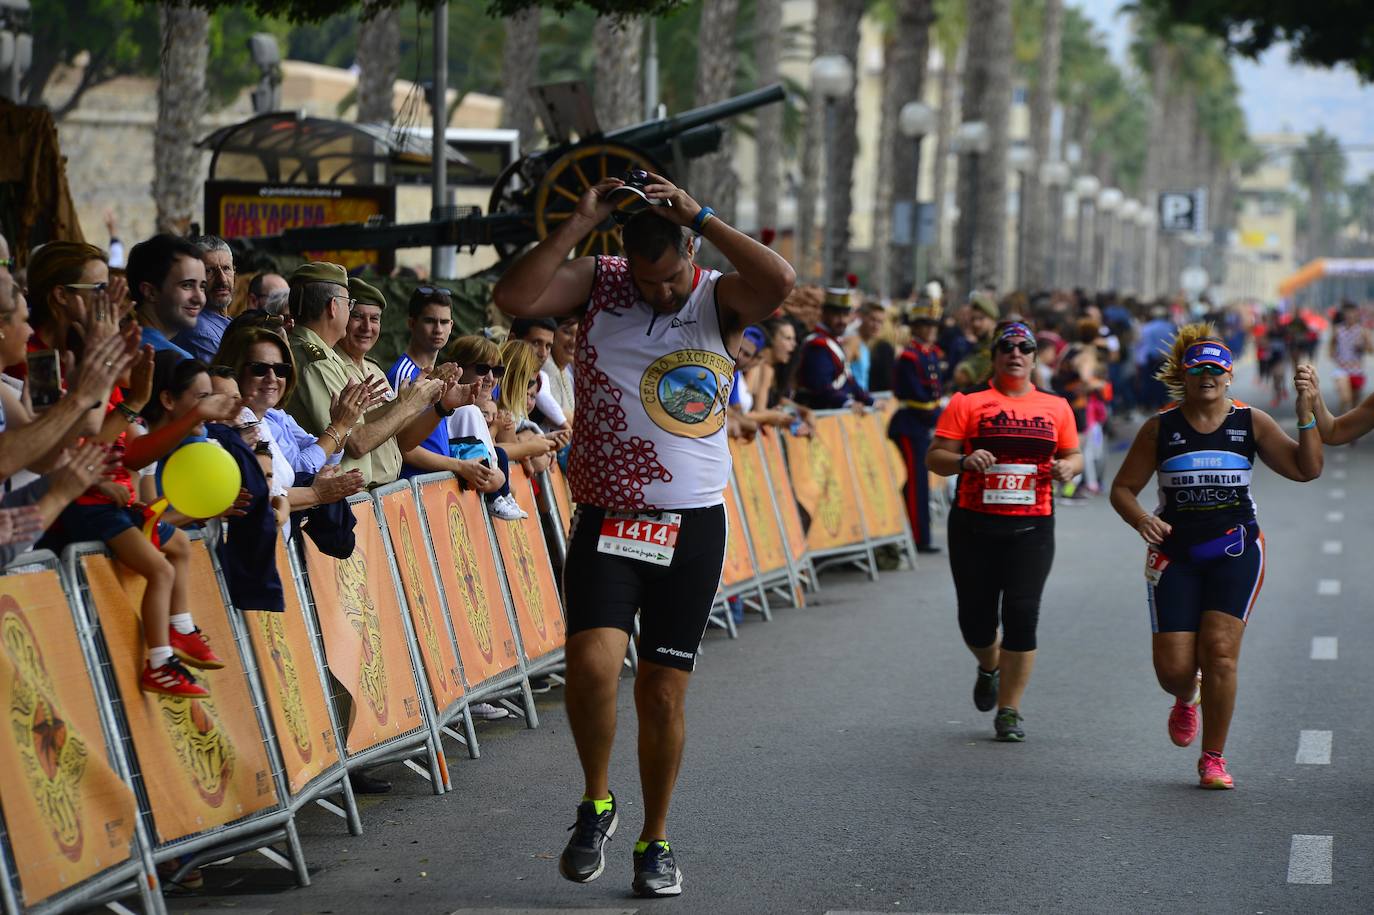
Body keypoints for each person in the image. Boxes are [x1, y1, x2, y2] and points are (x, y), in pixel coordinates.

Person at [492, 170, 794, 897]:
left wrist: (705, 214)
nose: (661, 294)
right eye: (650, 281)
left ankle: (655, 840)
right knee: (592, 668)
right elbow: (514, 299)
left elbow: (779, 282)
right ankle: (597, 803)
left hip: (690, 524)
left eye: (671, 279)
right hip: (606, 517)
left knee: (661, 693)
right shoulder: (601, 280)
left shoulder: (716, 294)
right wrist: (578, 222)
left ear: (690, 252)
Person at [1110, 328, 1322, 789]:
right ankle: (1187, 695)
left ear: (1229, 377)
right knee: (1174, 671)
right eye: (1197, 370)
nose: (1206, 377)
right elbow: (1122, 489)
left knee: (1221, 654)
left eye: (1214, 370)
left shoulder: (1252, 422)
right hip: (1176, 555)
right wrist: (1141, 518)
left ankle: (1214, 758)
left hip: (1236, 550)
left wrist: (1306, 415)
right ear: (1184, 377)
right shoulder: (1160, 428)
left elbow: (1307, 470)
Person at [927, 320, 1083, 742]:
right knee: (975, 622)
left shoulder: (1056, 407)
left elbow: (1074, 454)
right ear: (995, 356)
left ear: (1034, 358)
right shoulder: (968, 402)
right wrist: (962, 461)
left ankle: (1009, 709)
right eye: (1007, 347)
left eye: (1025, 347)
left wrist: (1069, 468)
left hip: (1032, 527)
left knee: (1022, 614)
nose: (1016, 353)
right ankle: (989, 665)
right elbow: (935, 457)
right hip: (973, 526)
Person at [284, 264, 445, 488]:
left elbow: (365, 426)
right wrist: (408, 405)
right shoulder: (316, 362)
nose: (366, 327)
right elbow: (355, 441)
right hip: (341, 497)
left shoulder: (326, 358)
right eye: (351, 309)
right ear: (333, 307)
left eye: (375, 319)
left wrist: (412, 402)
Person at [889, 299, 945, 553]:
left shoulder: (929, 354)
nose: (931, 329)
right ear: (916, 327)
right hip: (910, 423)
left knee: (920, 481)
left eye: (933, 324)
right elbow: (916, 396)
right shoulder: (910, 357)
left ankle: (921, 534)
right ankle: (917, 536)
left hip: (921, 425)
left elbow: (933, 392)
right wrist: (938, 415)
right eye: (925, 324)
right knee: (915, 482)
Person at [125, 234, 206, 359]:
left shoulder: (117, 345)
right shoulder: (180, 363)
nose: (199, 299)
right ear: (150, 292)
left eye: (202, 287)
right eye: (187, 285)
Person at [796, 287, 872, 409]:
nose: (842, 320)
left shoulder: (833, 341)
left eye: (845, 314)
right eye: (836, 314)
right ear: (825, 314)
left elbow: (848, 380)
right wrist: (846, 402)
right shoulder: (818, 345)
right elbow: (821, 385)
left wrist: (870, 401)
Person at [173, 236, 235, 363]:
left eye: (226, 268)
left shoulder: (224, 321)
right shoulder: (199, 330)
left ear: (234, 271)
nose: (222, 279)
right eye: (209, 271)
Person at [511, 316, 572, 433]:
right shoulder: (492, 377)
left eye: (548, 346)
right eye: (536, 343)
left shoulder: (541, 378)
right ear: (512, 339)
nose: (543, 353)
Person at [949, 292, 998, 392]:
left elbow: (962, 377)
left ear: (992, 319)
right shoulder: (980, 344)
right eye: (973, 319)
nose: (976, 323)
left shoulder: (998, 345)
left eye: (981, 318)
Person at [1329, 301, 1369, 414]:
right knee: (1345, 398)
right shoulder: (1338, 329)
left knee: (1355, 404)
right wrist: (1332, 354)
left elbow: (1370, 349)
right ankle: (1340, 421)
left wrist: (1362, 346)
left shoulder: (1362, 331)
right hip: (1341, 369)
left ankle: (1348, 424)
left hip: (1357, 370)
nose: (1350, 316)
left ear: (1357, 315)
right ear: (1344, 315)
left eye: (1353, 314)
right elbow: (1331, 344)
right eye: (1348, 314)